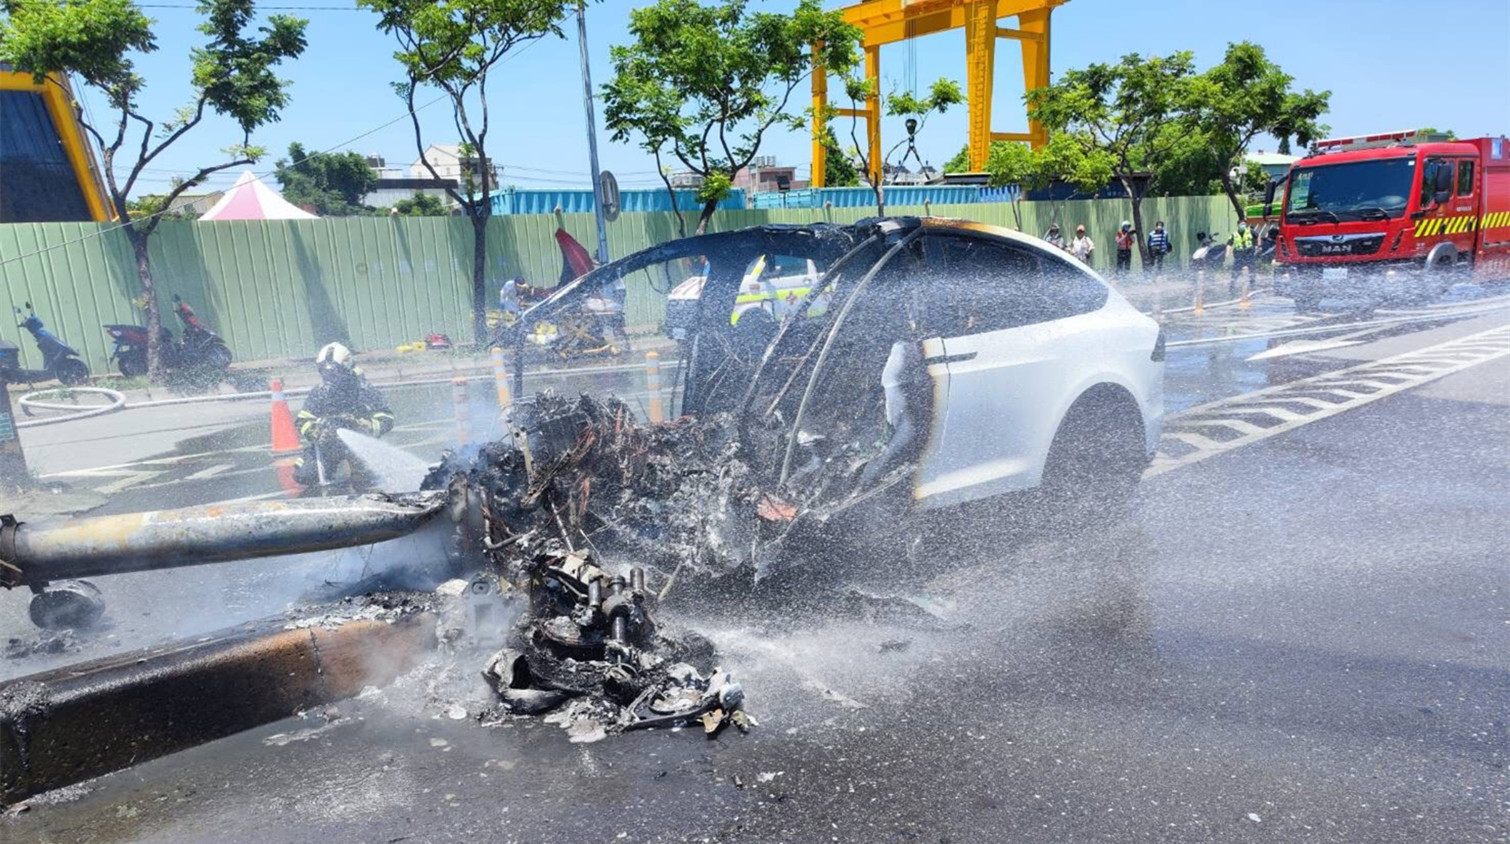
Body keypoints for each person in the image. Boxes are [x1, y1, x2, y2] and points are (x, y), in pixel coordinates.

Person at [293, 343, 395, 487]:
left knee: (365, 480)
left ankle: (362, 475)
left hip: (360, 446)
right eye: (325, 372)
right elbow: (303, 419)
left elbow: (387, 418)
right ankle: (333, 471)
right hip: (328, 446)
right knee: (305, 475)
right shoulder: (320, 392)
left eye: (334, 372)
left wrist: (368, 426)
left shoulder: (363, 390)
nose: (330, 377)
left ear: (346, 368)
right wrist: (314, 432)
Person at [1228, 221, 1256, 293]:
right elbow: (1229, 244)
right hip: (1239, 254)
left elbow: (1257, 236)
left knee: (1252, 269)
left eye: (1244, 224)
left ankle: (1252, 285)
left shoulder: (1250, 231)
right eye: (1241, 225)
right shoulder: (1234, 234)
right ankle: (1232, 286)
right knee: (1236, 270)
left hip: (1249, 253)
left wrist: (1258, 245)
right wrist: (1227, 253)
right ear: (1238, 225)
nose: (1243, 226)